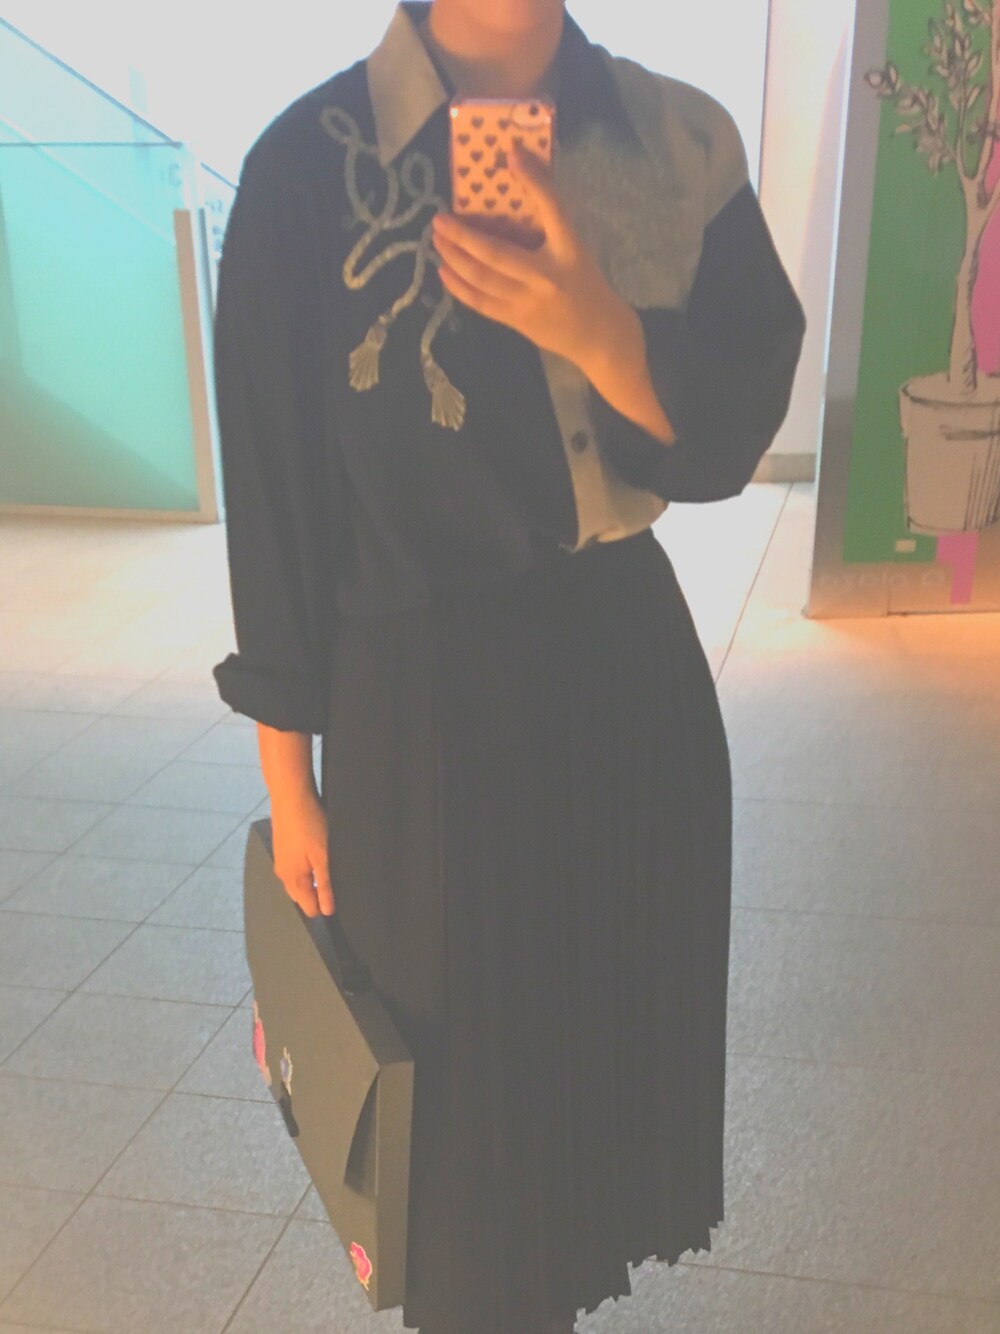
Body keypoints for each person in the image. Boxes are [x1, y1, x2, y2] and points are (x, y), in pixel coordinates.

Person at [211, 1, 807, 1331]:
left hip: (624, 681)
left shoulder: (671, 138)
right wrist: (287, 775)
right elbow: (277, 487)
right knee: (460, 1173)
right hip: (421, 707)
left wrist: (604, 331)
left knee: (584, 1122)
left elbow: (731, 429)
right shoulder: (308, 168)